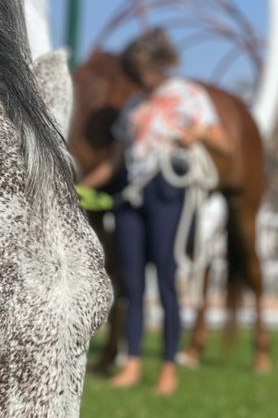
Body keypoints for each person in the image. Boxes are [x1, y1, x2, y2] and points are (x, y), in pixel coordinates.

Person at [79, 29, 230, 395]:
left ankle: (167, 368)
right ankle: (131, 364)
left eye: (142, 70)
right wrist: (82, 188)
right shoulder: (133, 107)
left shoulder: (190, 96)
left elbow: (224, 143)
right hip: (132, 196)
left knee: (166, 278)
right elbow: (117, 160)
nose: (140, 79)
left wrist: (198, 136)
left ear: (159, 65)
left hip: (167, 190)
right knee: (130, 283)